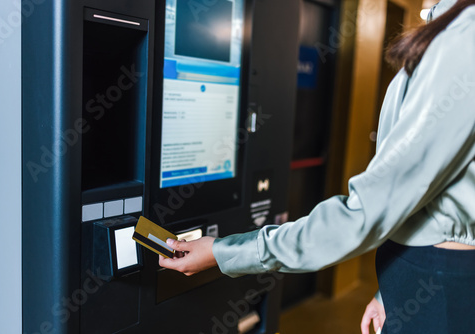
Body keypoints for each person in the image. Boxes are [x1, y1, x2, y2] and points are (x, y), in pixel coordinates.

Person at [160, 0, 475, 332]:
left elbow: (365, 213)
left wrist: (225, 252)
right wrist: (393, 290)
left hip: (439, 284)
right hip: (425, 278)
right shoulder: (452, 29)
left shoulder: (464, 37)